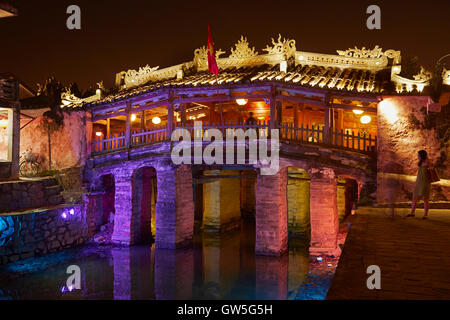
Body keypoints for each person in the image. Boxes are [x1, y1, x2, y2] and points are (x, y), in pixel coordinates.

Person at [406, 150, 432, 219]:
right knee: (415, 197)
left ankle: (425, 214)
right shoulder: (420, 162)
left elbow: (431, 171)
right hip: (419, 181)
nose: (417, 156)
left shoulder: (428, 162)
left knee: (425, 198)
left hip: (425, 182)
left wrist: (429, 162)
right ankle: (412, 212)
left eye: (418, 155)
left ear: (422, 155)